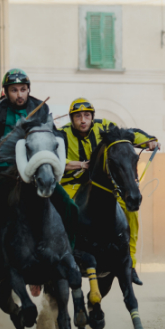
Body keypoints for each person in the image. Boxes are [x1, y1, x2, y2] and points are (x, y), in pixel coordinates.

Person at [0, 69, 79, 290]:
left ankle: (70, 258)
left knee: (71, 209)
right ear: (5, 91)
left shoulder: (40, 108)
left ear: (28, 89)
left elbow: (54, 137)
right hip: (3, 175)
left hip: (37, 174)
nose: (19, 94)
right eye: (14, 90)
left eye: (23, 89)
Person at [59, 98, 158, 285]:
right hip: (72, 184)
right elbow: (54, 159)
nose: (83, 120)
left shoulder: (104, 126)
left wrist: (149, 141)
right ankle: (62, 254)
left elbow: (128, 134)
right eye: (78, 116)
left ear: (92, 117)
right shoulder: (61, 134)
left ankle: (130, 264)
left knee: (130, 210)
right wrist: (80, 165)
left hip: (102, 186)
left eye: (87, 115)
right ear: (72, 119)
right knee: (64, 210)